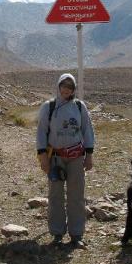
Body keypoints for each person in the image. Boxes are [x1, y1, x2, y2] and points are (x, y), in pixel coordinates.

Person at [36, 73, 95, 249]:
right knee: (55, 195)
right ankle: (57, 233)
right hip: (55, 158)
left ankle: (76, 234)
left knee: (76, 195)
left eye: (70, 87)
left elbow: (87, 130)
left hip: (76, 157)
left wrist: (89, 154)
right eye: (64, 86)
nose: (66, 90)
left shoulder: (79, 106)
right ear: (58, 86)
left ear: (73, 89)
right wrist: (43, 157)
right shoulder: (49, 107)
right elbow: (41, 132)